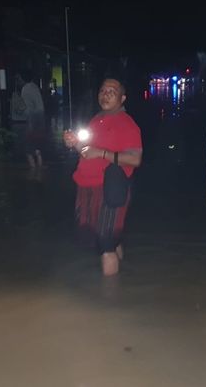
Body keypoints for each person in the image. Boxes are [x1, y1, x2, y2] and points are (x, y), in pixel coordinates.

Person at [63, 77, 142, 276]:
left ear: (122, 98)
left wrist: (101, 153)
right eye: (103, 91)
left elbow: (135, 159)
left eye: (112, 92)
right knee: (100, 237)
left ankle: (110, 296)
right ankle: (121, 271)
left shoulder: (127, 124)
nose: (106, 94)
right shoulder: (96, 119)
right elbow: (87, 150)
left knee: (105, 243)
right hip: (86, 186)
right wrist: (75, 143)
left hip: (110, 188)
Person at [19, 69, 45, 170]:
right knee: (37, 144)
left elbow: (28, 107)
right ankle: (40, 166)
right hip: (40, 119)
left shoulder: (25, 89)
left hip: (32, 120)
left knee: (28, 147)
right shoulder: (34, 86)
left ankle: (33, 168)